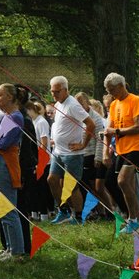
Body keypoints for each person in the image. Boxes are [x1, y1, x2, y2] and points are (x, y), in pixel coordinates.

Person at [0, 83, 27, 261]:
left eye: (0, 95)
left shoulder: (16, 117)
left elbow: (3, 143)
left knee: (8, 207)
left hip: (6, 165)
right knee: (0, 207)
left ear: (10, 97)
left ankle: (17, 251)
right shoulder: (6, 117)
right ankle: (9, 247)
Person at [102, 72, 139, 235]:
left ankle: (135, 220)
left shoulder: (135, 100)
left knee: (122, 181)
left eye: (112, 89)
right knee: (111, 182)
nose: (110, 93)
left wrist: (118, 131)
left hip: (136, 147)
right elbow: (108, 130)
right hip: (120, 149)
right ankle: (132, 219)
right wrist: (106, 152)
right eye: (108, 90)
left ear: (121, 86)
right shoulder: (113, 105)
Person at [47, 76, 94, 223]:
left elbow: (90, 124)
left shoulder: (73, 105)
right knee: (52, 180)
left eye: (57, 91)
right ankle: (64, 210)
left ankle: (79, 217)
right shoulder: (59, 103)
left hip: (72, 154)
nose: (54, 94)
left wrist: (83, 144)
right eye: (52, 91)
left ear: (65, 90)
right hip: (58, 152)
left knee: (71, 187)